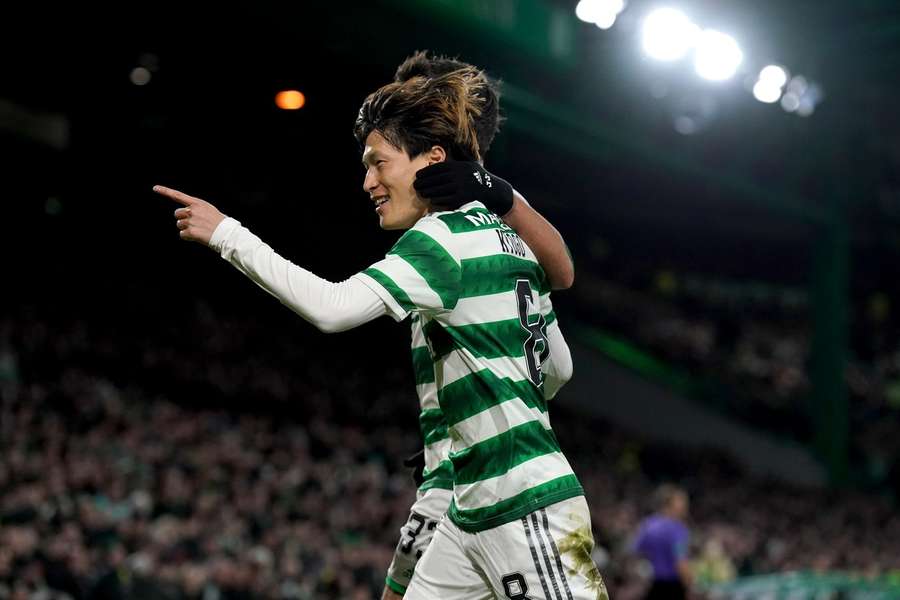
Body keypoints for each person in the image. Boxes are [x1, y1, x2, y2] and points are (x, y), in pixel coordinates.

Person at [154, 63, 606, 600]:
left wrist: (228, 234)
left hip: (524, 504)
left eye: (377, 163)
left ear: (432, 160)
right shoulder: (509, 241)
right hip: (472, 507)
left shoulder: (441, 240)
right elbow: (559, 368)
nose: (367, 181)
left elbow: (332, 307)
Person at [381, 51, 575, 600]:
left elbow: (563, 269)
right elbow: (558, 362)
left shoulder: (471, 231)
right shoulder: (484, 232)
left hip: (483, 485)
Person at [633, 485, 692, 600]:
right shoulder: (678, 529)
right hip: (673, 586)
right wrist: (690, 586)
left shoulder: (647, 524)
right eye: (681, 501)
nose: (685, 505)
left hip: (650, 586)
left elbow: (636, 553)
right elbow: (681, 562)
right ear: (669, 504)